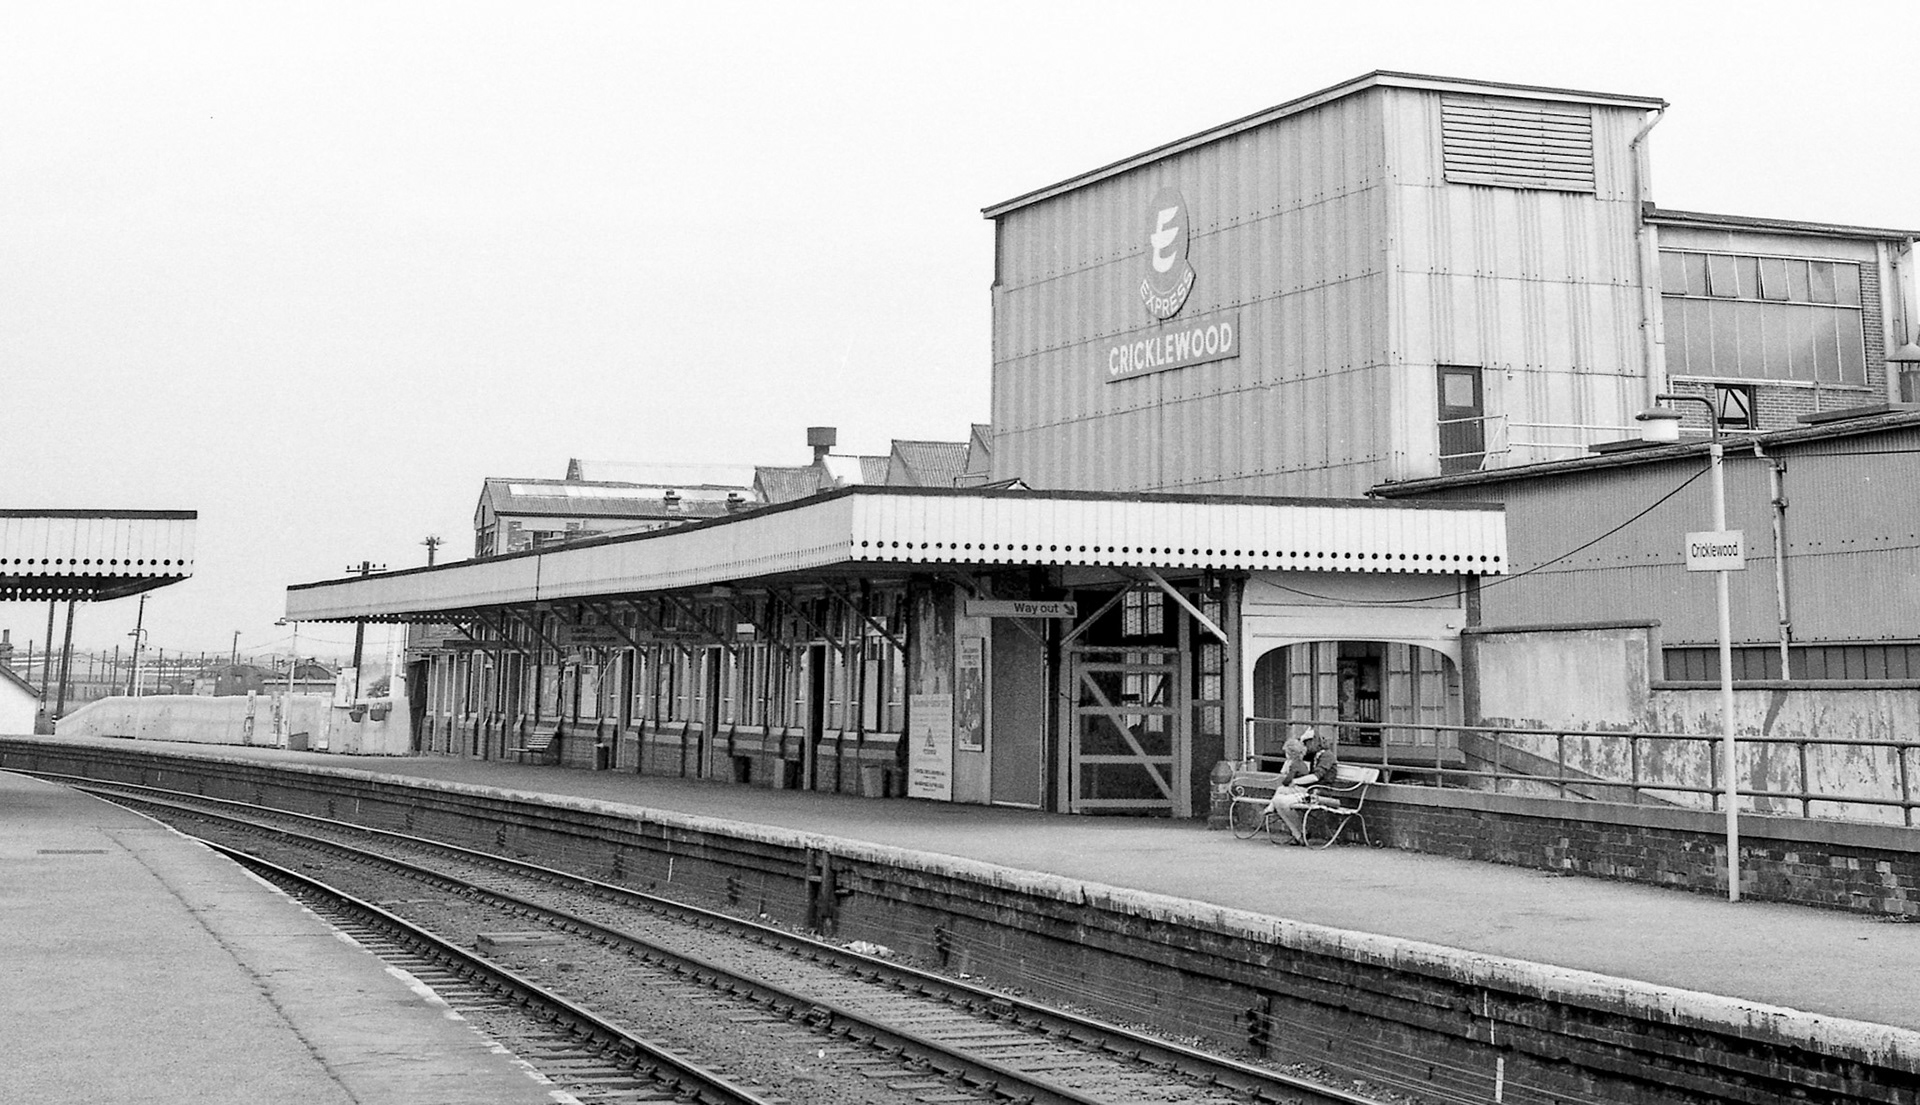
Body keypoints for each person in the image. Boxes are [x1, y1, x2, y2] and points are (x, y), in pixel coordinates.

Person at [1264, 728, 1338, 845]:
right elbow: (1295, 754)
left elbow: (1315, 777)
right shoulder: (1314, 754)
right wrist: (1301, 740)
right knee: (1279, 799)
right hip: (1308, 790)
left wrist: (1295, 781)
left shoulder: (1326, 756)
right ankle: (1299, 834)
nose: (1305, 746)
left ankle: (1299, 834)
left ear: (1313, 742)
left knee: (1282, 802)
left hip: (1319, 793)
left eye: (1306, 743)